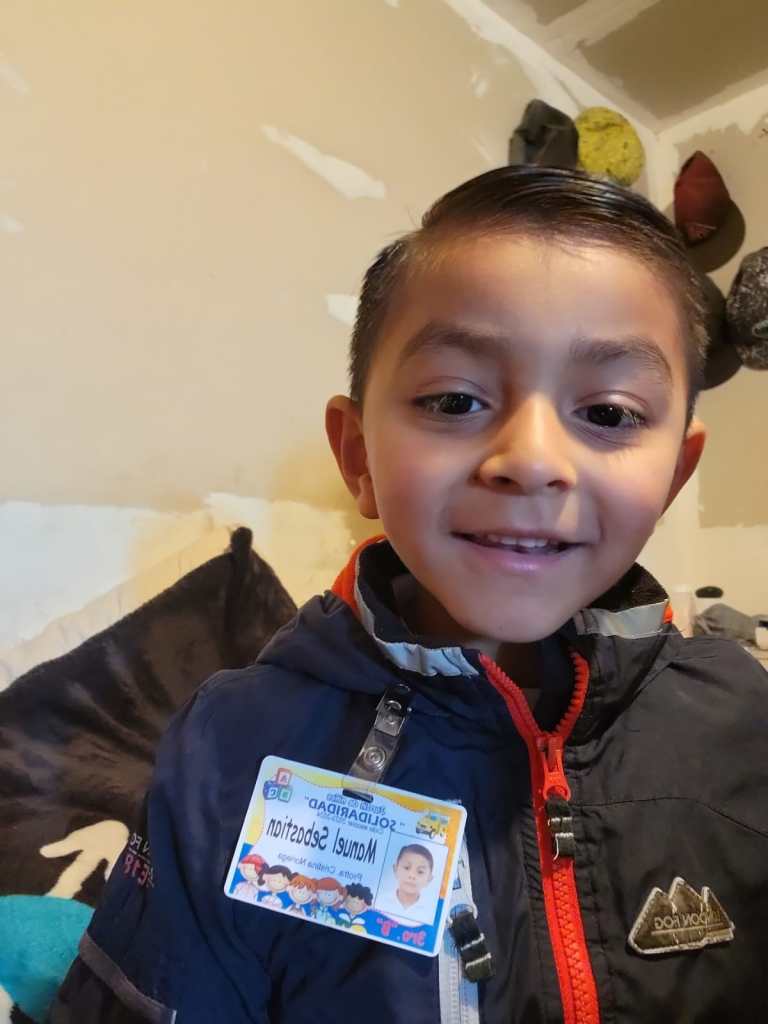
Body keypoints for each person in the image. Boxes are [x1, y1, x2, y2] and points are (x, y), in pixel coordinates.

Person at [52, 165, 768, 1023]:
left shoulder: (744, 719)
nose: (532, 460)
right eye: (456, 399)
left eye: (609, 414)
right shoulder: (232, 745)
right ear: (358, 456)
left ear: (676, 476)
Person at [375, 843, 435, 924]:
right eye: (406, 867)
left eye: (420, 872)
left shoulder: (430, 913)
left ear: (429, 879)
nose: (412, 875)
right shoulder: (379, 902)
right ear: (395, 869)